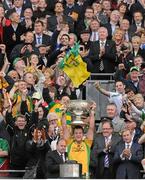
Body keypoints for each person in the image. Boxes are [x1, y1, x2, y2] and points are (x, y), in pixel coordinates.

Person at [62, 102, 96, 177]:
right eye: (76, 133)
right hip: (71, 174)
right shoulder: (70, 143)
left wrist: (92, 113)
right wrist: (63, 114)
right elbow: (64, 127)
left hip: (85, 174)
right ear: (73, 135)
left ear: (83, 134)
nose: (78, 135)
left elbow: (91, 127)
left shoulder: (87, 143)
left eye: (80, 133)